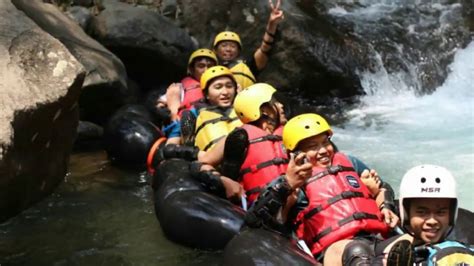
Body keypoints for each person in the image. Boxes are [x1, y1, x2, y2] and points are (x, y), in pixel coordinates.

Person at [245, 113, 403, 265]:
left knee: (406, 242)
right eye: (313, 146)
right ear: (295, 154)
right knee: (357, 251)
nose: (323, 151)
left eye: (325, 142)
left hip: (375, 238)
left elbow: (383, 187)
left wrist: (385, 205)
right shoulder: (291, 183)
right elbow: (256, 220)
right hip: (335, 250)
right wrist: (287, 186)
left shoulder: (349, 162)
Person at [191, 83, 288, 204]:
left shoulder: (288, 132)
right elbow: (200, 164)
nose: (281, 105)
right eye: (276, 103)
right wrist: (223, 180)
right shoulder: (240, 136)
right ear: (264, 111)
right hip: (258, 207)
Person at [374, 164, 474, 265]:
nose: (432, 221)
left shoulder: (461, 252)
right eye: (422, 212)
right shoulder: (384, 251)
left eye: (440, 212)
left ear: (451, 214)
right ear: (407, 214)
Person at [213, 0, 284, 89]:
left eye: (233, 46)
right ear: (215, 50)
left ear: (238, 51)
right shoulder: (207, 67)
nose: (228, 49)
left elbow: (265, 48)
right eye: (224, 45)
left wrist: (272, 25)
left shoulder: (248, 66)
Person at [161, 48, 218, 144]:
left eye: (210, 66)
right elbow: (161, 104)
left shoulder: (222, 85)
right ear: (192, 69)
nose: (206, 70)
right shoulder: (180, 87)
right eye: (201, 66)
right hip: (183, 123)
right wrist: (168, 111)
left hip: (211, 122)